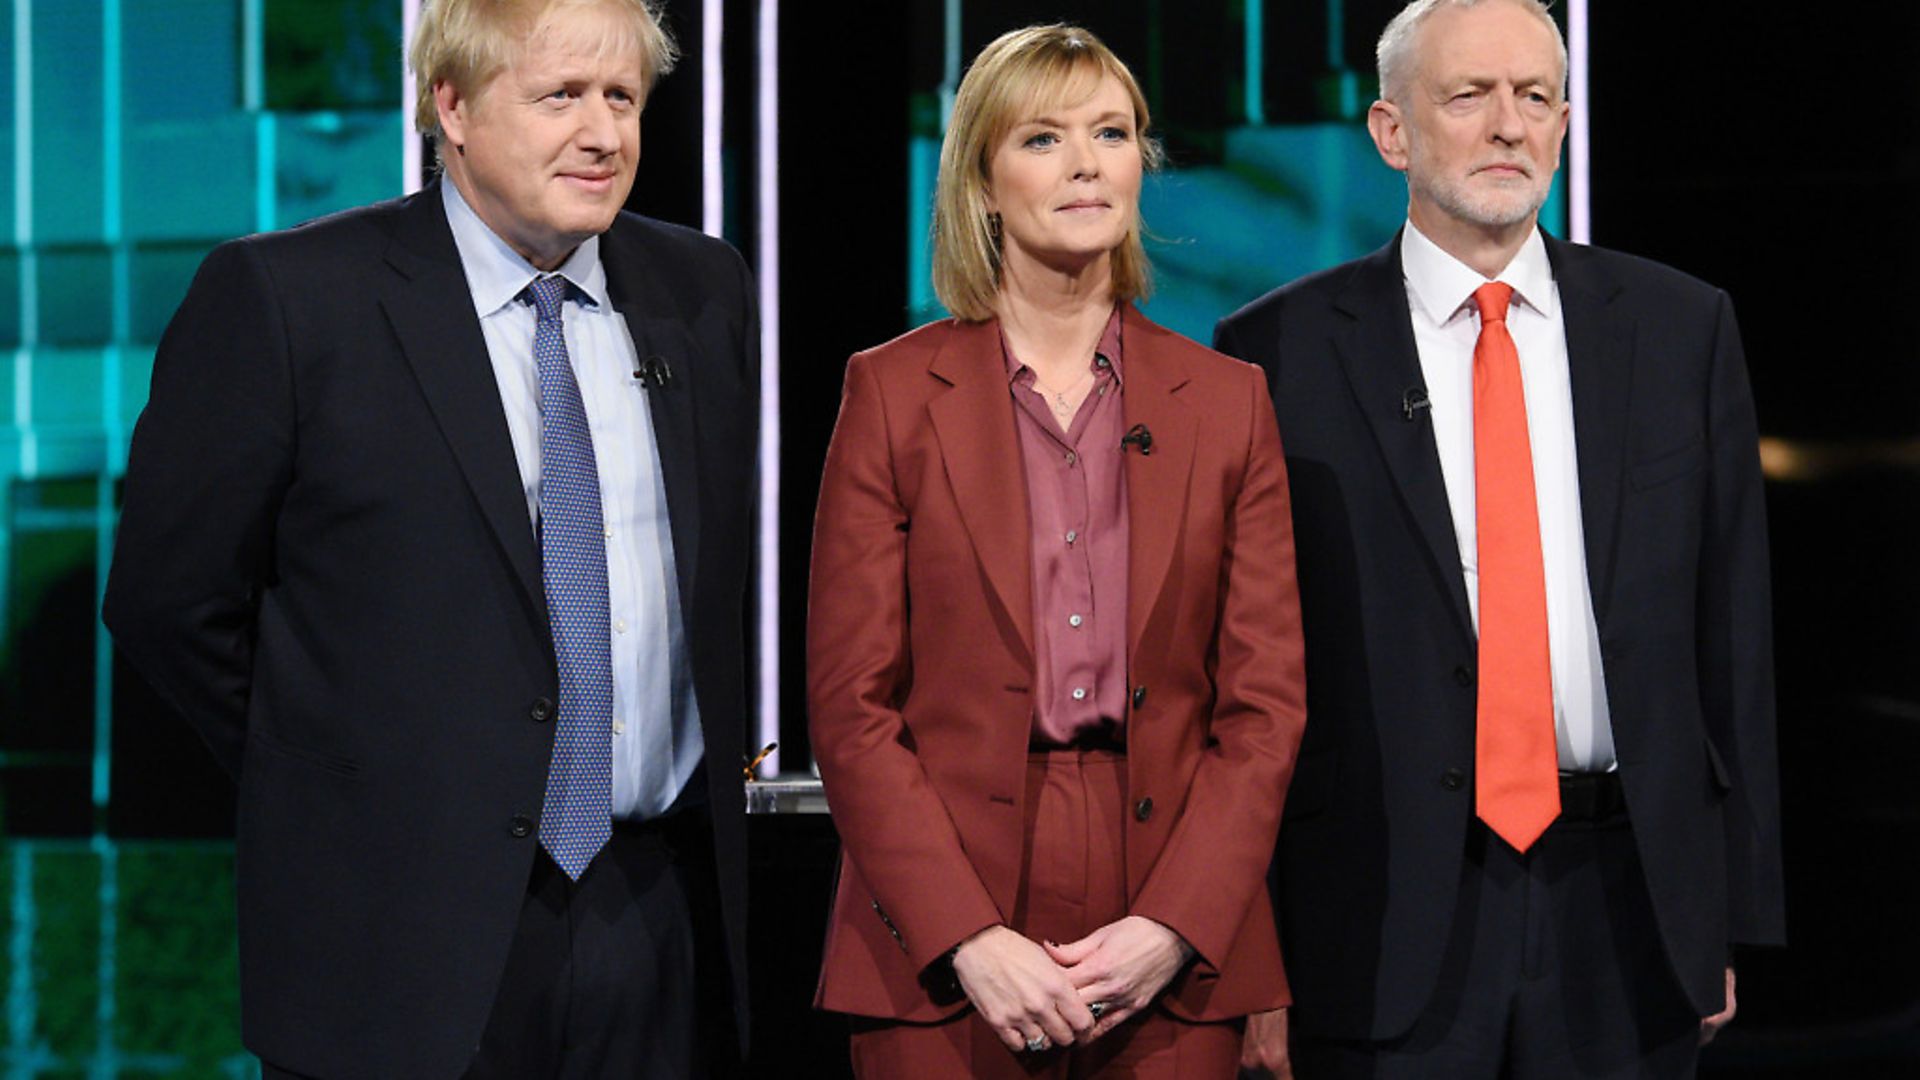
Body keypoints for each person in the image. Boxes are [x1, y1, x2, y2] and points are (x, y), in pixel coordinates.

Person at [101, 0, 756, 1075]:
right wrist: (350, 772)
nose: (603, 133)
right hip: (393, 928)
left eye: (623, 98)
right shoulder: (289, 298)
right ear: (451, 103)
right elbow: (171, 603)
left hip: (655, 917)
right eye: (561, 96)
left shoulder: (704, 289)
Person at [1217, 1, 1785, 1076]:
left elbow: (1732, 638)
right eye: (1468, 95)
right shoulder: (1271, 355)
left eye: (1534, 98)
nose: (1508, 125)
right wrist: (1251, 951)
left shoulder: (1681, 328)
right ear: (1391, 133)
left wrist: (1726, 911)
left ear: (1566, 123)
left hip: (1629, 901)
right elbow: (1241, 678)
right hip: (1378, 912)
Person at [806, 23, 1307, 1078]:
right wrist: (966, 935)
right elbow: (851, 706)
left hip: (1170, 891)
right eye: (1043, 138)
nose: (1087, 162)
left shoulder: (1228, 401)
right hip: (941, 910)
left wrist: (1173, 923)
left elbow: (1264, 708)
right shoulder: (891, 395)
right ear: (983, 182)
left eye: (1113, 133)